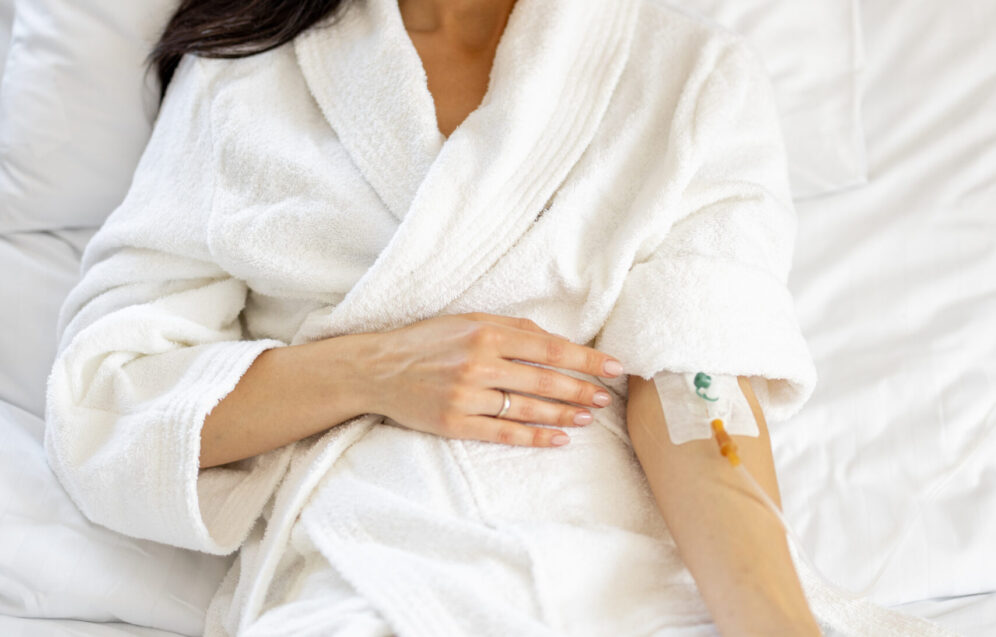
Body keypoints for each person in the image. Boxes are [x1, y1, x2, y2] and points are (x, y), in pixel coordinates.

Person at [44, 0, 823, 634]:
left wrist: (774, 622)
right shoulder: (241, 74)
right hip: (367, 558)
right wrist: (377, 370)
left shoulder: (689, 74)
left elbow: (698, 388)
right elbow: (110, 401)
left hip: (617, 548)